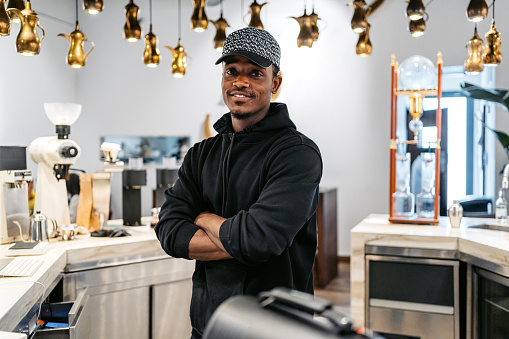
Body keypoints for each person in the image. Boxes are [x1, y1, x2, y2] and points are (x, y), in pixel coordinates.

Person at [155, 27, 323, 339]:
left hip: (277, 329)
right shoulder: (201, 155)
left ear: (275, 83)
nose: (240, 82)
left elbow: (258, 240)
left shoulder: (297, 154)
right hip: (208, 326)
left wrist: (203, 218)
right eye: (231, 70)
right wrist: (240, 238)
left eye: (255, 73)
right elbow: (169, 232)